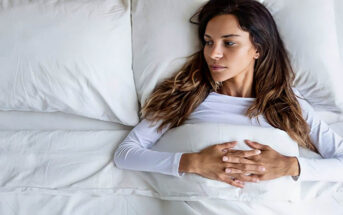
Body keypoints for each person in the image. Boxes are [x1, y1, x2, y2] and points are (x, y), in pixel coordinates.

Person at [113, 0, 343, 189]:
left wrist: (291, 166)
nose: (214, 54)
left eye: (229, 43)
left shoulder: (286, 102)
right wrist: (193, 162)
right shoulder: (188, 96)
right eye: (208, 42)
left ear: (258, 49)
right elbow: (125, 154)